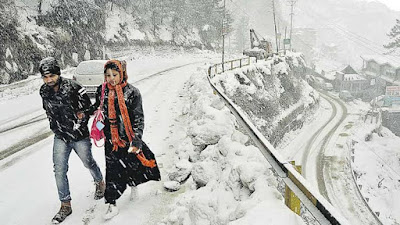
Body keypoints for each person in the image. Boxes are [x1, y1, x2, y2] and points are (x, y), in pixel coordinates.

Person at [90, 59, 161, 220]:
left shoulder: (132, 92)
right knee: (112, 170)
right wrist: (87, 114)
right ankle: (111, 203)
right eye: (107, 75)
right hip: (111, 140)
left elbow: (138, 118)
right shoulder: (102, 91)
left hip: (128, 138)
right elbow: (97, 109)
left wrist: (136, 139)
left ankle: (133, 185)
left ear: (122, 74)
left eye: (114, 74)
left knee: (132, 165)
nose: (111, 78)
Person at [39, 57, 105, 224]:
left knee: (88, 162)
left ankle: (99, 182)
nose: (48, 80)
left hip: (79, 136)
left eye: (51, 76)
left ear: (58, 74)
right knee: (59, 170)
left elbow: (90, 108)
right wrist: (55, 126)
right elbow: (48, 111)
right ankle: (65, 204)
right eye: (45, 77)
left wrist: (81, 118)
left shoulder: (74, 88)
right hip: (60, 136)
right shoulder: (44, 91)